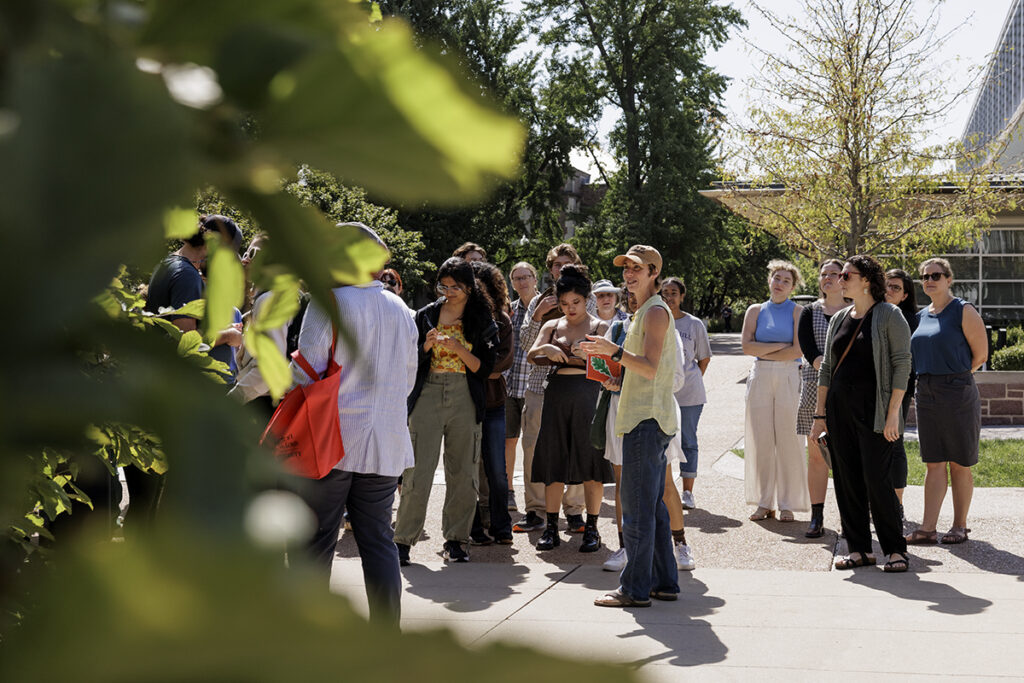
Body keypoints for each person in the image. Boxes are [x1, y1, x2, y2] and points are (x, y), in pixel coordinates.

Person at [289, 222, 417, 626]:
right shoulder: (402, 309)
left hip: (332, 437)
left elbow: (305, 372)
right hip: (386, 440)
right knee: (378, 540)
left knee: (316, 541)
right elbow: (409, 378)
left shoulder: (328, 302)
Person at [131, 214, 244, 533]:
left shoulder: (168, 265)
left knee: (145, 502)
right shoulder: (187, 275)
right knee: (156, 505)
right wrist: (228, 336)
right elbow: (186, 342)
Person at [582, 245, 679, 607]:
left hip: (647, 420)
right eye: (626, 267)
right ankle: (665, 582)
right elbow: (647, 372)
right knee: (651, 506)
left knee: (636, 510)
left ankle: (635, 589)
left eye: (637, 268)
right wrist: (614, 380)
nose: (629, 274)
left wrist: (613, 350)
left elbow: (651, 366)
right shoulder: (646, 311)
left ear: (654, 272)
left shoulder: (654, 312)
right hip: (645, 415)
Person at [810, 254, 911, 573]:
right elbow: (826, 368)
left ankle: (895, 550)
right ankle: (859, 550)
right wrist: (819, 415)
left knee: (878, 481)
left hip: (875, 411)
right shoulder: (840, 318)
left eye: (846, 275)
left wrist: (894, 413)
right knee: (846, 480)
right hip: (839, 411)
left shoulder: (889, 314)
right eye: (838, 275)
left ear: (866, 280)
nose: (839, 280)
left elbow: (902, 366)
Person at [393, 258, 498, 564]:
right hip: (427, 392)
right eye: (444, 285)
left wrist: (459, 348)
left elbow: (485, 368)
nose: (449, 292)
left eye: (456, 287)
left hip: (465, 393)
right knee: (416, 472)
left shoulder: (481, 317)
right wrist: (425, 347)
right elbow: (409, 359)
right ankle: (403, 541)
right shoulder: (426, 314)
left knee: (463, 472)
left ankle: (455, 539)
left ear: (470, 287)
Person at [527, 265, 613, 551]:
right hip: (557, 394)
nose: (570, 308)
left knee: (591, 463)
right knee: (553, 460)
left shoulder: (600, 326)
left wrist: (583, 357)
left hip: (588, 394)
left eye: (575, 302)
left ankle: (592, 528)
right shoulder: (551, 326)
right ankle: (551, 527)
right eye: (564, 303)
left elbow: (608, 367)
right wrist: (546, 350)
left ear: (586, 298)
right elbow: (531, 354)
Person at [904, 258, 987, 546]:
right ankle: (928, 528)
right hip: (926, 391)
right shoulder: (920, 315)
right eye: (925, 276)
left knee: (959, 462)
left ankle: (959, 526)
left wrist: (955, 378)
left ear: (949, 279)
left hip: (957, 390)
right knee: (933, 462)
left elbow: (980, 355)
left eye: (936, 275)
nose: (930, 280)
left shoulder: (963, 310)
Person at [515, 244, 593, 534]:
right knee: (534, 449)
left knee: (576, 449)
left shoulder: (588, 299)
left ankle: (574, 512)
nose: (561, 268)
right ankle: (535, 511)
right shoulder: (540, 301)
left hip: (578, 386)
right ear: (550, 270)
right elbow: (525, 345)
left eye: (567, 262)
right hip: (540, 386)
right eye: (556, 264)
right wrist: (537, 318)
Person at [741, 260, 807, 522]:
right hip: (760, 376)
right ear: (769, 280)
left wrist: (765, 347)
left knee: (789, 440)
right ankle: (764, 502)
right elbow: (747, 348)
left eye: (786, 281)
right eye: (776, 278)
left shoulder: (798, 311)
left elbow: (797, 351)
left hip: (789, 376)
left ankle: (787, 503)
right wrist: (780, 345)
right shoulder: (755, 310)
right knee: (761, 440)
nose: (780, 284)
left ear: (793, 286)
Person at [796, 259, 845, 538]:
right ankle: (816, 517)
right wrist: (829, 369)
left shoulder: (856, 311)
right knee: (816, 457)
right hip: (814, 388)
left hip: (848, 391)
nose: (827, 278)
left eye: (834, 274)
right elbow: (809, 349)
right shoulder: (809, 312)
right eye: (823, 274)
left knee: (846, 458)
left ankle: (850, 517)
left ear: (844, 278)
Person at [468, 261, 514, 545]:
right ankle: (471, 527)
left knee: (497, 469)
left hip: (494, 403)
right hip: (462, 403)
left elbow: (500, 365)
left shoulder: (503, 321)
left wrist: (470, 362)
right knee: (465, 469)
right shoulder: (455, 318)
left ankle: (501, 526)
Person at [661, 277, 711, 511]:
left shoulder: (694, 324)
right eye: (665, 292)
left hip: (690, 393)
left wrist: (687, 379)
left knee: (688, 441)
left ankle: (688, 491)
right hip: (660, 394)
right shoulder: (656, 319)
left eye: (673, 293)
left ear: (682, 296)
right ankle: (663, 489)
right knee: (662, 442)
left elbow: (704, 358)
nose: (669, 297)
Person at [504, 261, 539, 512]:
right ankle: (508, 492)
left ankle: (535, 498)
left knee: (533, 445)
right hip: (509, 386)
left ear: (535, 279)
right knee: (508, 441)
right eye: (517, 278)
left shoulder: (547, 307)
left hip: (534, 387)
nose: (522, 282)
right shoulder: (510, 310)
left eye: (526, 276)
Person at [885, 268, 919, 516]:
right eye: (886, 285)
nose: (889, 290)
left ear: (905, 295)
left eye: (895, 287)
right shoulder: (872, 312)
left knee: (894, 444)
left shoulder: (910, 320)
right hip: (870, 390)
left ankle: (896, 504)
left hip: (899, 390)